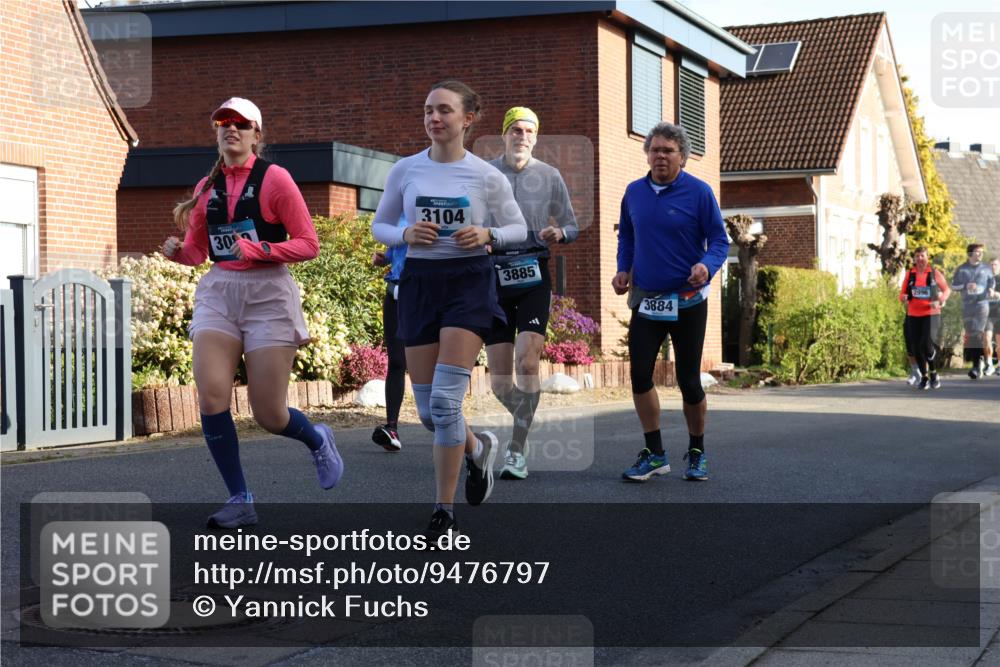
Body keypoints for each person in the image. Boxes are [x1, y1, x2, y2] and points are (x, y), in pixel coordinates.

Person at [163, 97, 342, 529]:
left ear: (256, 135)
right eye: (223, 122)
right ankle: (240, 498)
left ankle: (317, 438)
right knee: (211, 396)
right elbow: (199, 252)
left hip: (268, 296)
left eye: (241, 124)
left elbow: (308, 243)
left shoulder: (275, 179)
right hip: (220, 294)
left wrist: (263, 249)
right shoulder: (207, 188)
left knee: (269, 414)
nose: (231, 128)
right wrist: (178, 253)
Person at [370, 81, 527, 541]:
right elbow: (380, 224)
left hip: (468, 283)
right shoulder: (405, 170)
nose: (434, 118)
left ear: (467, 119)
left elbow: (518, 228)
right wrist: (404, 235)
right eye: (428, 111)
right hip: (419, 284)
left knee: (444, 402)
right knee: (428, 413)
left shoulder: (486, 175)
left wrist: (487, 235)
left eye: (444, 110)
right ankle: (478, 449)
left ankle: (444, 510)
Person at [613, 122, 728, 482]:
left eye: (667, 150)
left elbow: (719, 241)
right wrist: (622, 270)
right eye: (654, 150)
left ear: (682, 157)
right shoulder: (634, 192)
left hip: (688, 300)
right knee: (639, 375)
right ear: (647, 154)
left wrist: (706, 267)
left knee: (688, 381)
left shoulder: (699, 192)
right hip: (647, 300)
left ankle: (697, 452)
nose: (660, 156)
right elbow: (627, 237)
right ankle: (655, 453)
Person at [484, 107, 579, 480]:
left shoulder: (550, 176)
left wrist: (561, 233)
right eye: (515, 130)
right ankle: (526, 414)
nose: (521, 136)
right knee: (499, 383)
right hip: (494, 276)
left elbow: (571, 224)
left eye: (528, 131)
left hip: (533, 273)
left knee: (527, 363)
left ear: (536, 138)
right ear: (504, 135)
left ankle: (516, 450)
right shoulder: (486, 174)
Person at [371, 215, 408, 452]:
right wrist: (384, 258)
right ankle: (391, 428)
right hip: (394, 293)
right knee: (396, 361)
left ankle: (450, 427)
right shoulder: (398, 216)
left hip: (423, 295)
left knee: (431, 364)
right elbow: (396, 254)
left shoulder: (430, 208)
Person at [899, 247, 951, 390]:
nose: (920, 259)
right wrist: (903, 297)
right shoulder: (910, 274)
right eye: (917, 256)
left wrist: (940, 300)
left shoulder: (934, 273)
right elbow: (902, 294)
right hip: (913, 315)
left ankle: (933, 373)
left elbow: (947, 290)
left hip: (931, 314)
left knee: (926, 344)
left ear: (927, 258)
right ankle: (924, 377)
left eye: (922, 256)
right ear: (914, 259)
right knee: (916, 347)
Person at [951, 244, 995, 379]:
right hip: (967, 305)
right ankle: (979, 361)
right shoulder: (962, 269)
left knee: (977, 332)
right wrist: (965, 285)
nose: (980, 254)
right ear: (970, 253)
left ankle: (976, 366)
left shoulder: (986, 268)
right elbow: (953, 286)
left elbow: (991, 282)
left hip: (982, 305)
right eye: (977, 252)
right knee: (970, 334)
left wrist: (991, 289)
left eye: (982, 252)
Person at [987, 257, 1000, 373]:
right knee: (987, 339)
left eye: (995, 264)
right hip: (987, 314)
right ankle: (989, 364)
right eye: (991, 265)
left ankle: (999, 364)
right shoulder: (985, 280)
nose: (993, 267)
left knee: (999, 342)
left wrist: (996, 294)